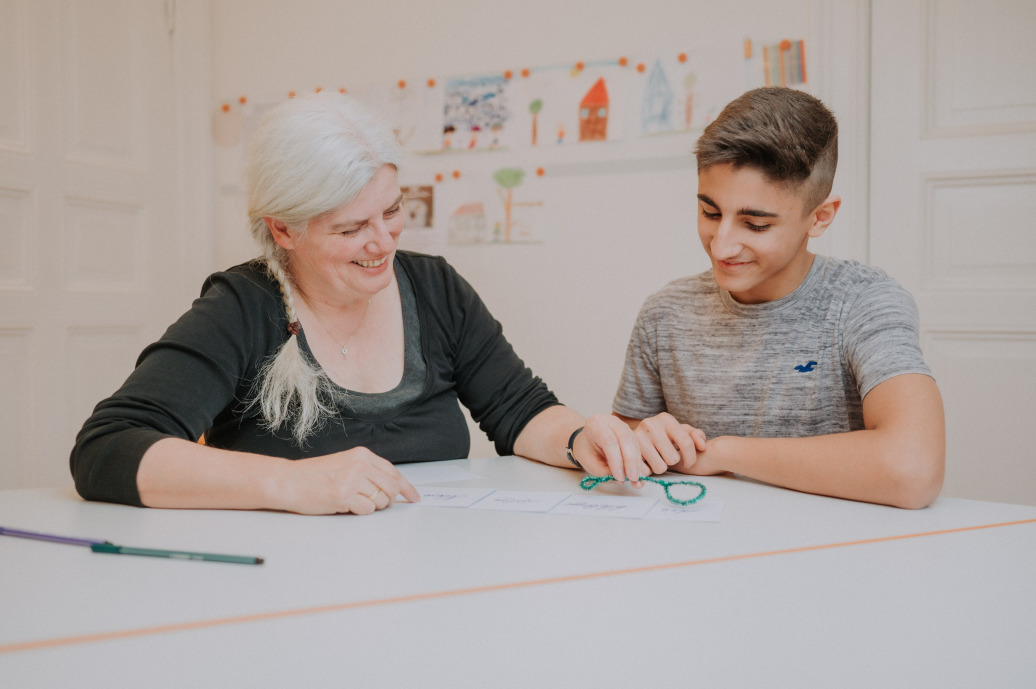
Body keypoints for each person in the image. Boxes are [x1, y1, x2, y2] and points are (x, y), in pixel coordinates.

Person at [70, 92, 644, 516]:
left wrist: (577, 439)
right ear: (285, 230)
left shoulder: (436, 290)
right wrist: (293, 483)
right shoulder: (243, 308)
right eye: (350, 229)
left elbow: (520, 410)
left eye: (392, 211)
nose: (383, 242)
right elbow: (107, 449)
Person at [613, 87, 945, 509]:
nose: (722, 246)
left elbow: (912, 468)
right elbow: (623, 448)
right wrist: (640, 441)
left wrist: (720, 453)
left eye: (754, 225)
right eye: (710, 213)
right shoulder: (664, 313)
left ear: (820, 217)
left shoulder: (864, 302)